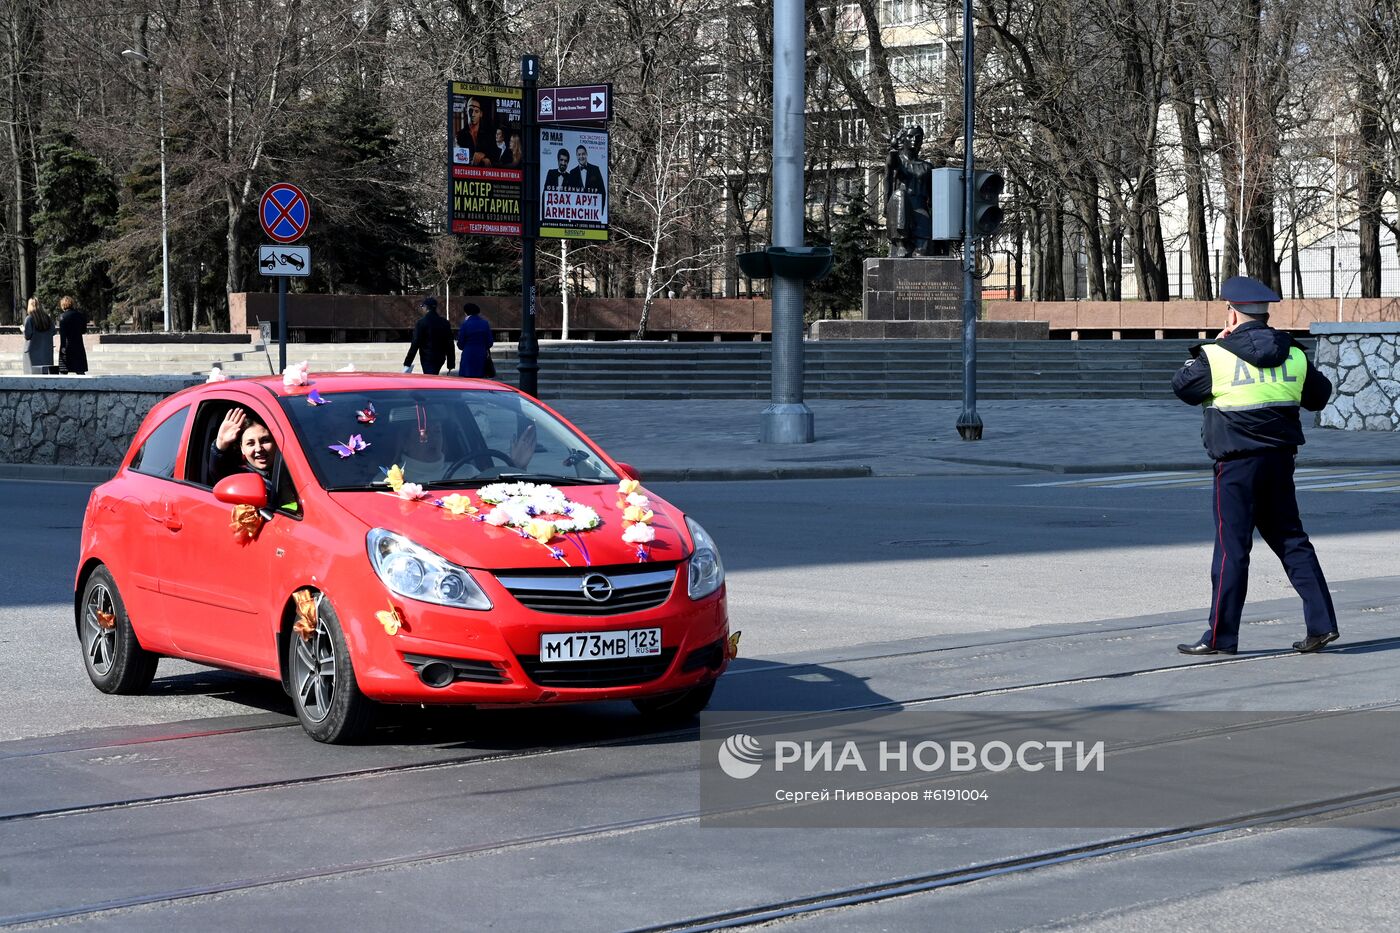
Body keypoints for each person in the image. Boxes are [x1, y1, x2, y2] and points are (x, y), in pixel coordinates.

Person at [1171, 275, 1338, 656]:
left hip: (1236, 465)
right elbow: (1320, 396)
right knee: (1293, 541)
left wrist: (1215, 343)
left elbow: (1183, 387)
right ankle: (1322, 624)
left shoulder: (1217, 354)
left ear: (1231, 312)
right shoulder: (1293, 353)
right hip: (1280, 462)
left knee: (1232, 549)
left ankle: (1220, 637)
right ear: (1265, 314)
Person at [208, 408, 297, 510]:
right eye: (250, 443)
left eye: (265, 440)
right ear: (242, 448)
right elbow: (219, 472)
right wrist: (220, 444)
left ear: (276, 442)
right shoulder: (240, 476)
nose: (259, 448)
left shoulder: (297, 468)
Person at [884, 126, 935, 257]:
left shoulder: (927, 167)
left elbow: (933, 195)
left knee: (922, 251)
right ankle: (900, 243)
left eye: (918, 137)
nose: (914, 140)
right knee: (900, 194)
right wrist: (893, 149)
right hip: (901, 207)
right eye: (910, 136)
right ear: (903, 139)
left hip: (919, 207)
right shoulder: (899, 162)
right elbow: (892, 163)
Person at [403, 297, 455, 375]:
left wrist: (408, 362)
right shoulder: (445, 322)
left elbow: (415, 343)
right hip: (440, 357)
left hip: (427, 357)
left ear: (426, 307)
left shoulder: (421, 323)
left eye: (423, 306)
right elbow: (450, 343)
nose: (422, 309)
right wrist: (451, 363)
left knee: (430, 378)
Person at [457, 303, 495, 378]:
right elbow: (490, 342)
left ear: (466, 312)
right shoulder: (485, 323)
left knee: (468, 380)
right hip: (481, 355)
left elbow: (460, 344)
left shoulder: (465, 324)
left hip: (468, 355)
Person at [22, 297, 56, 374]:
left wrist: (23, 330)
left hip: (32, 351)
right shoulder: (47, 318)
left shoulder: (29, 318)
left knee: (32, 374)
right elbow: (53, 332)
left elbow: (27, 336)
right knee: (45, 374)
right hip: (46, 351)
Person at [57, 296, 89, 375]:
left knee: (64, 370)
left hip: (67, 345)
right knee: (80, 369)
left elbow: (63, 334)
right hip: (78, 344)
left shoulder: (62, 316)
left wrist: (63, 347)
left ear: (63, 305)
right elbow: (83, 330)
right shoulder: (80, 315)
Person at [568, 145, 605, 209]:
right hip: (577, 214)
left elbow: (602, 192)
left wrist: (599, 212)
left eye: (583, 154)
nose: (581, 156)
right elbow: (569, 195)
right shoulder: (572, 172)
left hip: (593, 213)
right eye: (579, 154)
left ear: (586, 154)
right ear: (576, 156)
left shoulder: (595, 169)